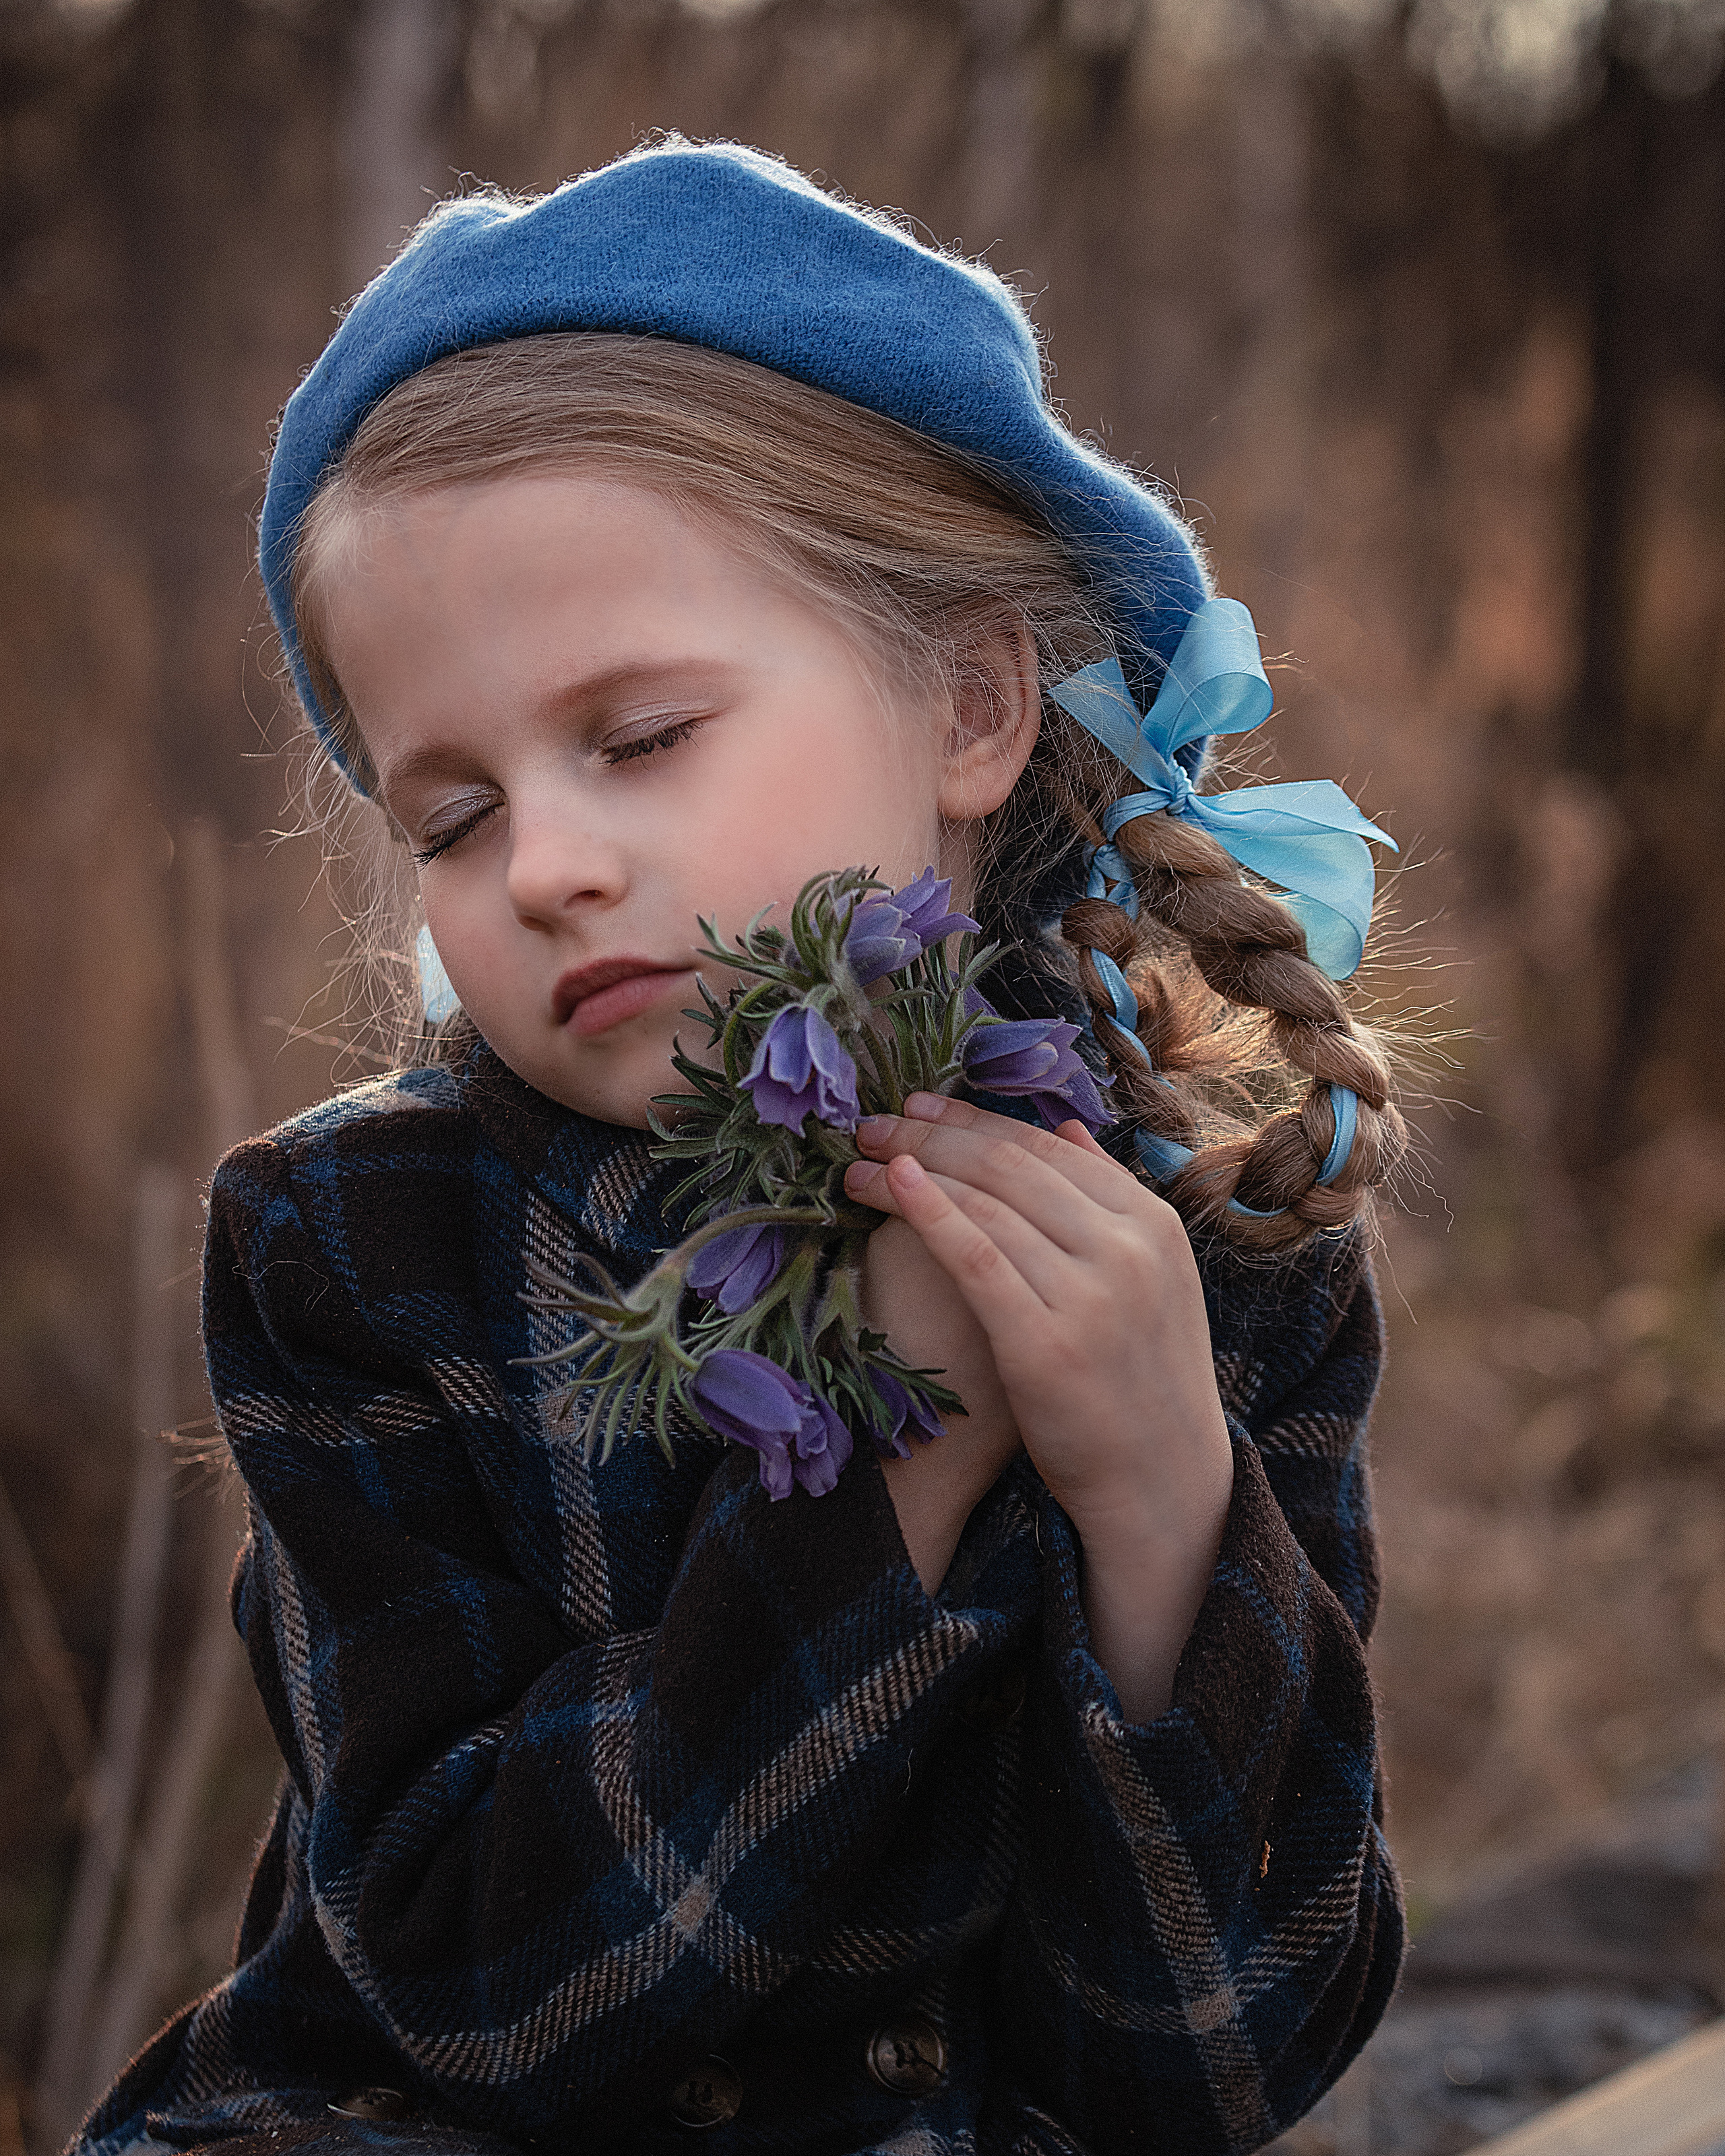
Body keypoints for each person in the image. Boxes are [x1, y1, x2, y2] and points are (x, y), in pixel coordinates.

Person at [77, 140, 1406, 2156]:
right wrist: (891, 1470)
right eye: (447, 815)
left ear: (967, 705)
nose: (542, 865)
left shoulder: (1220, 1249)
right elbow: (479, 1993)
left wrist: (1160, 1505)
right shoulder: (359, 1248)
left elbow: (1209, 2070)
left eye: (635, 738)